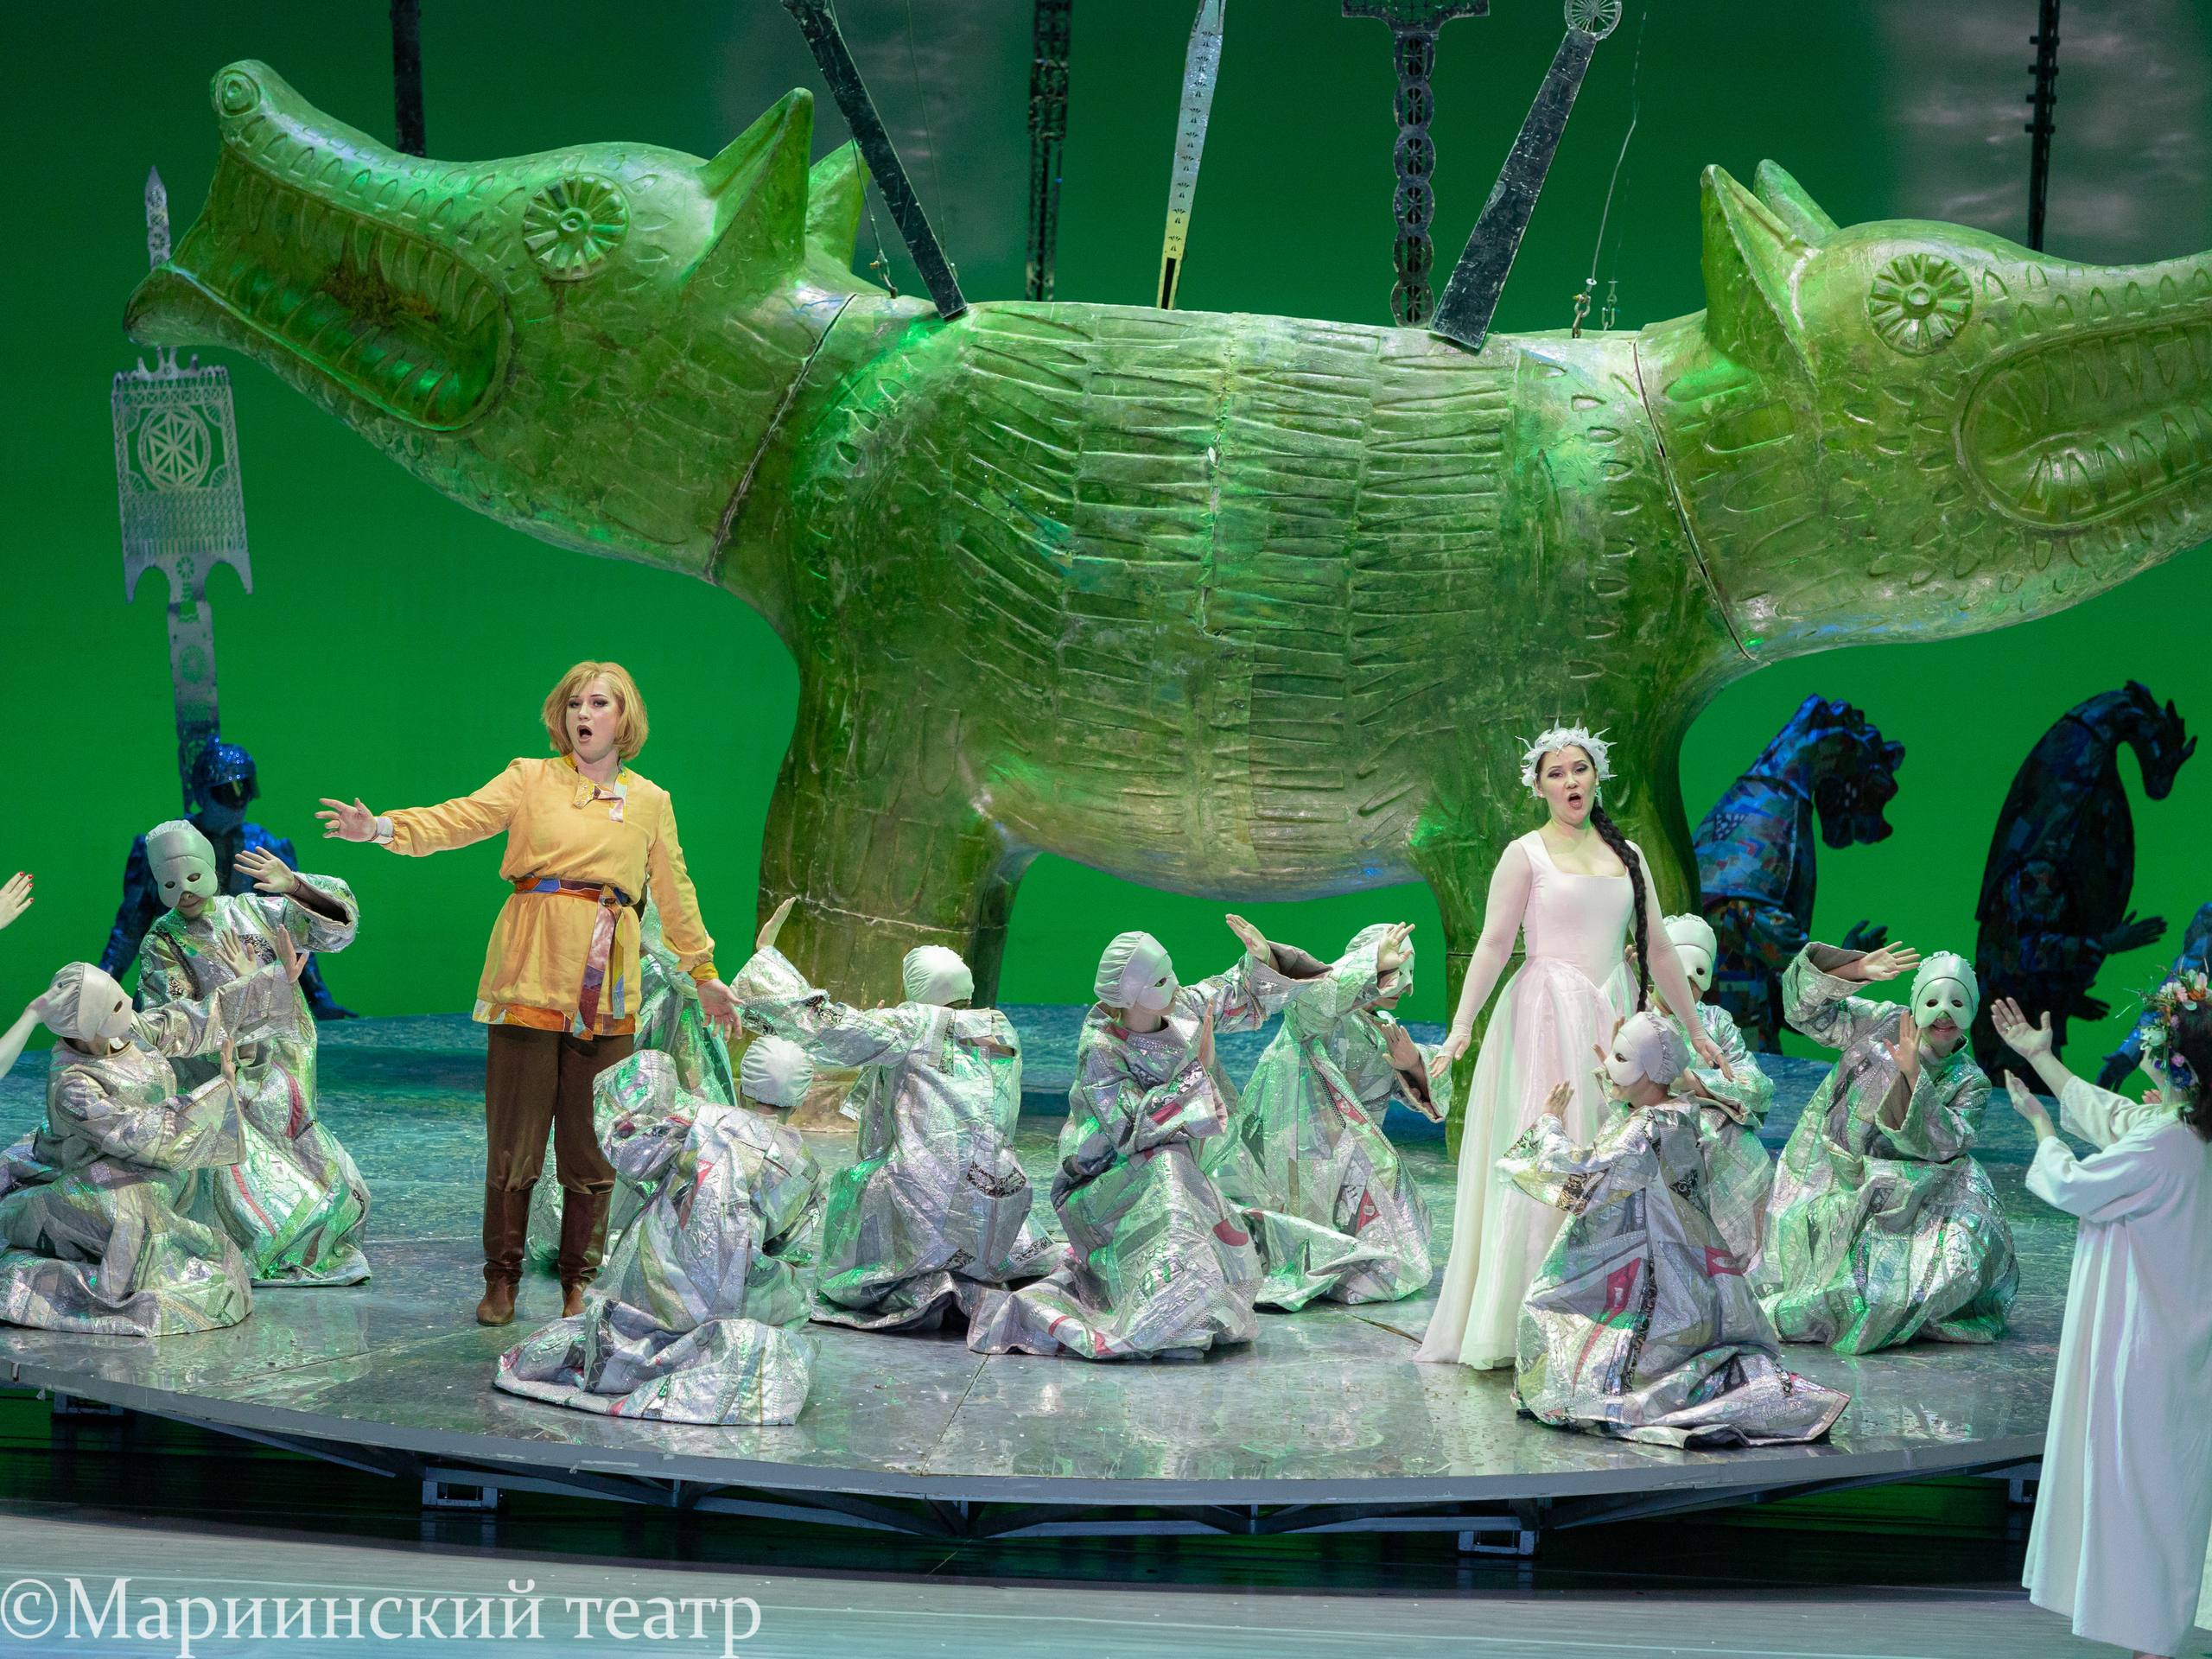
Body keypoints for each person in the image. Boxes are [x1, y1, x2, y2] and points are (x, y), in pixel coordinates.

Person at [316, 662, 743, 1326]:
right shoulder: (530, 777)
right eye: (574, 703)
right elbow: (458, 819)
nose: (584, 714)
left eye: (598, 703)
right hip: (528, 977)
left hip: (606, 994)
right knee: (513, 1143)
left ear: (623, 718)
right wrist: (380, 829)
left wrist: (704, 972)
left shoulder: (651, 801)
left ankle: (580, 1279)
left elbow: (674, 890)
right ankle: (502, 1278)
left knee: (593, 1146)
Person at [1417, 725, 1721, 1370]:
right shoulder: (1524, 854)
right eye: (1555, 774)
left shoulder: (1628, 854)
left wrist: (1694, 1029)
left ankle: (1608, 1317)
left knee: (1612, 1150)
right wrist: (1462, 1026)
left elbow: (1658, 947)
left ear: (1596, 776)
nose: (1570, 782)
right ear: (1538, 786)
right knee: (1552, 1147)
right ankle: (1526, 1320)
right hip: (1546, 1015)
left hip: (1613, 1013)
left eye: (1579, 769)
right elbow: (1493, 944)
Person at [967, 917, 1324, 1360]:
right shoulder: (1101, 1048)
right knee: (1169, 1172)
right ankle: (1167, 1310)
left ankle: (1195, 1300)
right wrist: (1196, 1071)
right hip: (1102, 1181)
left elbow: (1236, 992)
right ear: (1129, 994)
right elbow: (1127, 1129)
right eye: (1159, 979)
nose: (1173, 984)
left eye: (1171, 971)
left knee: (1186, 1177)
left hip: (1174, 1164)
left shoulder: (1182, 1007)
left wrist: (1263, 961)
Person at [1505, 1012, 1848, 1446]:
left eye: (1622, 1058)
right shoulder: (1680, 1112)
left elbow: (1589, 1172)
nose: (1609, 1065)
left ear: (1652, 1070)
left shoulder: (1649, 1127)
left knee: (1546, 1307)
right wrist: (1617, 1078)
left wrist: (1549, 1126)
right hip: (1682, 1263)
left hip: (1648, 1265)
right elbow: (1629, 1139)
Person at [1993, 985, 2212, 1659]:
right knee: (2156, 1488)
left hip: (2148, 1346)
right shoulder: (2181, 1132)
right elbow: (2116, 1116)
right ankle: (2151, 1635)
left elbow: (2075, 1186)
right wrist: (2043, 1059)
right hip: (2174, 1343)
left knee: (2144, 1491)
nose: (2144, 1043)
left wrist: (2042, 1128)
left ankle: (2153, 1640)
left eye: (2156, 1038)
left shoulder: (2169, 1143)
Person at [732, 897, 1053, 1331]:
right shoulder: (998, 1027)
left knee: (861, 1183)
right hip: (999, 1194)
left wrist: (767, 958)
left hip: (926, 1191)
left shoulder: (912, 1024)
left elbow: (828, 1024)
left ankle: (906, 1276)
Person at [495, 1039, 823, 1426]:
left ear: (743, 1085)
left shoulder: (699, 1120)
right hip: (729, 1292)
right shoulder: (800, 1163)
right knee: (792, 1296)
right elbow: (787, 1241)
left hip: (653, 1275)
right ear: (801, 1097)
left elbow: (634, 1150)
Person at [0, 942, 301, 1335]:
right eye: (114, 1003)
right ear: (88, 1023)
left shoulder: (130, 1031)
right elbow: (135, 1132)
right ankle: (112, 1289)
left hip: (156, 1161)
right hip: (92, 1176)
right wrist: (215, 1095)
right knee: (136, 1214)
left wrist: (270, 983)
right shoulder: (73, 1085)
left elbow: (194, 1020)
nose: (127, 1002)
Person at [134, 819, 371, 1285]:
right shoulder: (163, 942)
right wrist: (255, 985)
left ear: (212, 868)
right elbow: (176, 1020)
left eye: (193, 876)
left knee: (326, 1182)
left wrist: (296, 887)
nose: (185, 891)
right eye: (170, 883)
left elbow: (336, 933)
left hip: (283, 1063)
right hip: (222, 1073)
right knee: (252, 1190)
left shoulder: (253, 910)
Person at [1759, 938, 2018, 1351]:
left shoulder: (1971, 1081)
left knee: (1921, 1278)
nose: (1944, 1013)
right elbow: (1805, 1013)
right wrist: (1856, 970)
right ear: (1915, 1003)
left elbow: (1946, 1142)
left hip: (1914, 1193)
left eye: (1957, 1002)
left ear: (1971, 1010)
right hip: (1833, 1172)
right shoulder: (1881, 1023)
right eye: (1932, 1001)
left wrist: (1914, 1075)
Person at [1202, 920, 1444, 1309]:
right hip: (1299, 1150)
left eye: (1408, 972)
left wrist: (1413, 1062)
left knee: (1395, 1230)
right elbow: (1313, 997)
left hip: (1351, 1161)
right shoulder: (1323, 1016)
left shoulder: (1380, 1029)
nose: (1406, 985)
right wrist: (1366, 962)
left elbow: (1427, 1089)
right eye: (1396, 971)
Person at [102, 741, 353, 1019]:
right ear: (202, 794)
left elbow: (290, 929)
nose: (239, 801)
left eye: (245, 788)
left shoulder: (265, 846)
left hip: (247, 982)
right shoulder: (165, 848)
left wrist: (318, 996)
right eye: (228, 791)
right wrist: (102, 988)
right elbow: (130, 927)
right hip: (176, 971)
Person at [1647, 912, 1776, 1274]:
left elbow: (1757, 1086)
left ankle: (1741, 1270)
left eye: (1697, 978)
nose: (1686, 988)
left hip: (1721, 1134)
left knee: (1742, 1146)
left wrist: (1697, 1083)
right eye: (1678, 974)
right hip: (1655, 1132)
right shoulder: (1635, 1014)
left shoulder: (1715, 1021)